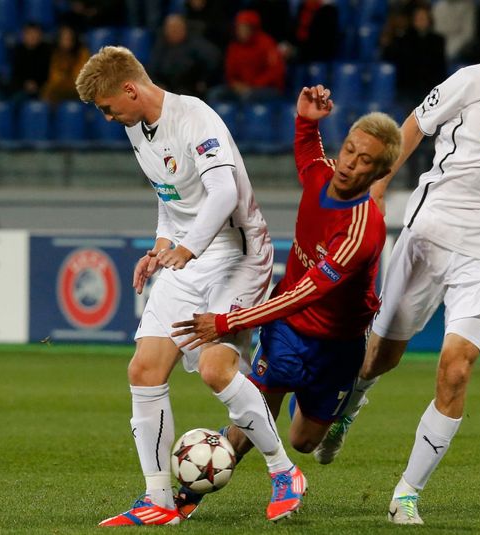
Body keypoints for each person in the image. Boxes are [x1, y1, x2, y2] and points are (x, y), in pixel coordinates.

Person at [313, 7, 480, 525]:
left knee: (456, 368)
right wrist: (376, 190)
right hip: (427, 237)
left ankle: (407, 494)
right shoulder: (472, 81)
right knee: (378, 359)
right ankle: (350, 407)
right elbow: (412, 126)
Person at [74, 45, 304, 526]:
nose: (108, 117)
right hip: (189, 255)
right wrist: (162, 247)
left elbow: (222, 194)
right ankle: (158, 499)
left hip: (238, 254)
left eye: (108, 106)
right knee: (144, 369)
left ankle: (284, 471)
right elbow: (170, 198)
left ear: (130, 89)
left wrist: (188, 249)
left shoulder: (196, 118)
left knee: (218, 371)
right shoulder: (138, 127)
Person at [169, 85, 401, 469]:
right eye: (348, 150)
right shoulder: (320, 176)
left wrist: (227, 321)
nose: (348, 164)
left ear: (380, 172)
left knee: (304, 442)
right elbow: (309, 155)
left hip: (337, 346)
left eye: (364, 161)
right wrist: (306, 122)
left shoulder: (362, 230)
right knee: (249, 421)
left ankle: (345, 407)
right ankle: (193, 490)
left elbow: (306, 292)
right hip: (289, 332)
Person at [208, 9, 285, 103]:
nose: (241, 31)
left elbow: (275, 72)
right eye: (239, 28)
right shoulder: (234, 46)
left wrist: (252, 85)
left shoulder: (267, 43)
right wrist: (235, 84)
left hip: (265, 88)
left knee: (247, 96)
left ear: (253, 28)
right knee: (214, 94)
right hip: (241, 88)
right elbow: (230, 71)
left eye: (245, 28)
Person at [41, 25, 90, 104]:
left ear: (74, 39)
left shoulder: (82, 53)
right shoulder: (56, 54)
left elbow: (80, 78)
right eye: (64, 39)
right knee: (46, 94)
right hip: (59, 90)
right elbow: (54, 79)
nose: (67, 42)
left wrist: (65, 80)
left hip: (78, 91)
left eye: (69, 39)